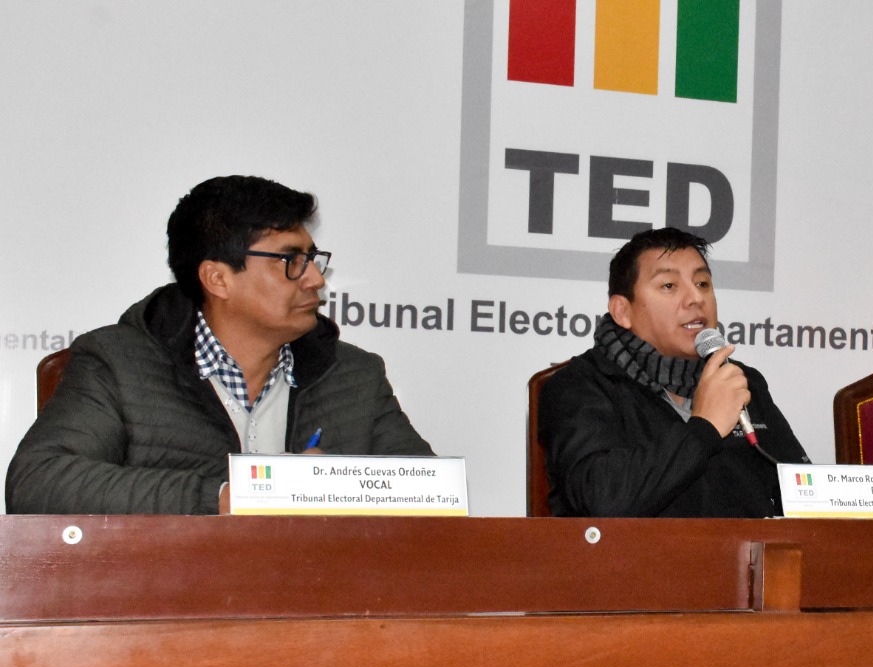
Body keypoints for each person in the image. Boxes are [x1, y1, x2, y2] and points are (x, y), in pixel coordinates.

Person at [6, 175, 433, 515]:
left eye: (313, 259)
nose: (316, 279)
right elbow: (38, 481)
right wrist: (231, 497)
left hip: (313, 592)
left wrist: (336, 486)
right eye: (291, 261)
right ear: (218, 279)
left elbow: (432, 495)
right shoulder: (118, 363)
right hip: (170, 593)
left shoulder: (353, 375)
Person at [537, 227, 808, 517]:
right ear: (622, 311)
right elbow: (601, 499)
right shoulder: (579, 386)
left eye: (702, 283)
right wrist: (705, 428)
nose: (696, 298)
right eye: (669, 286)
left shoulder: (739, 381)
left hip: (746, 548)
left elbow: (807, 498)